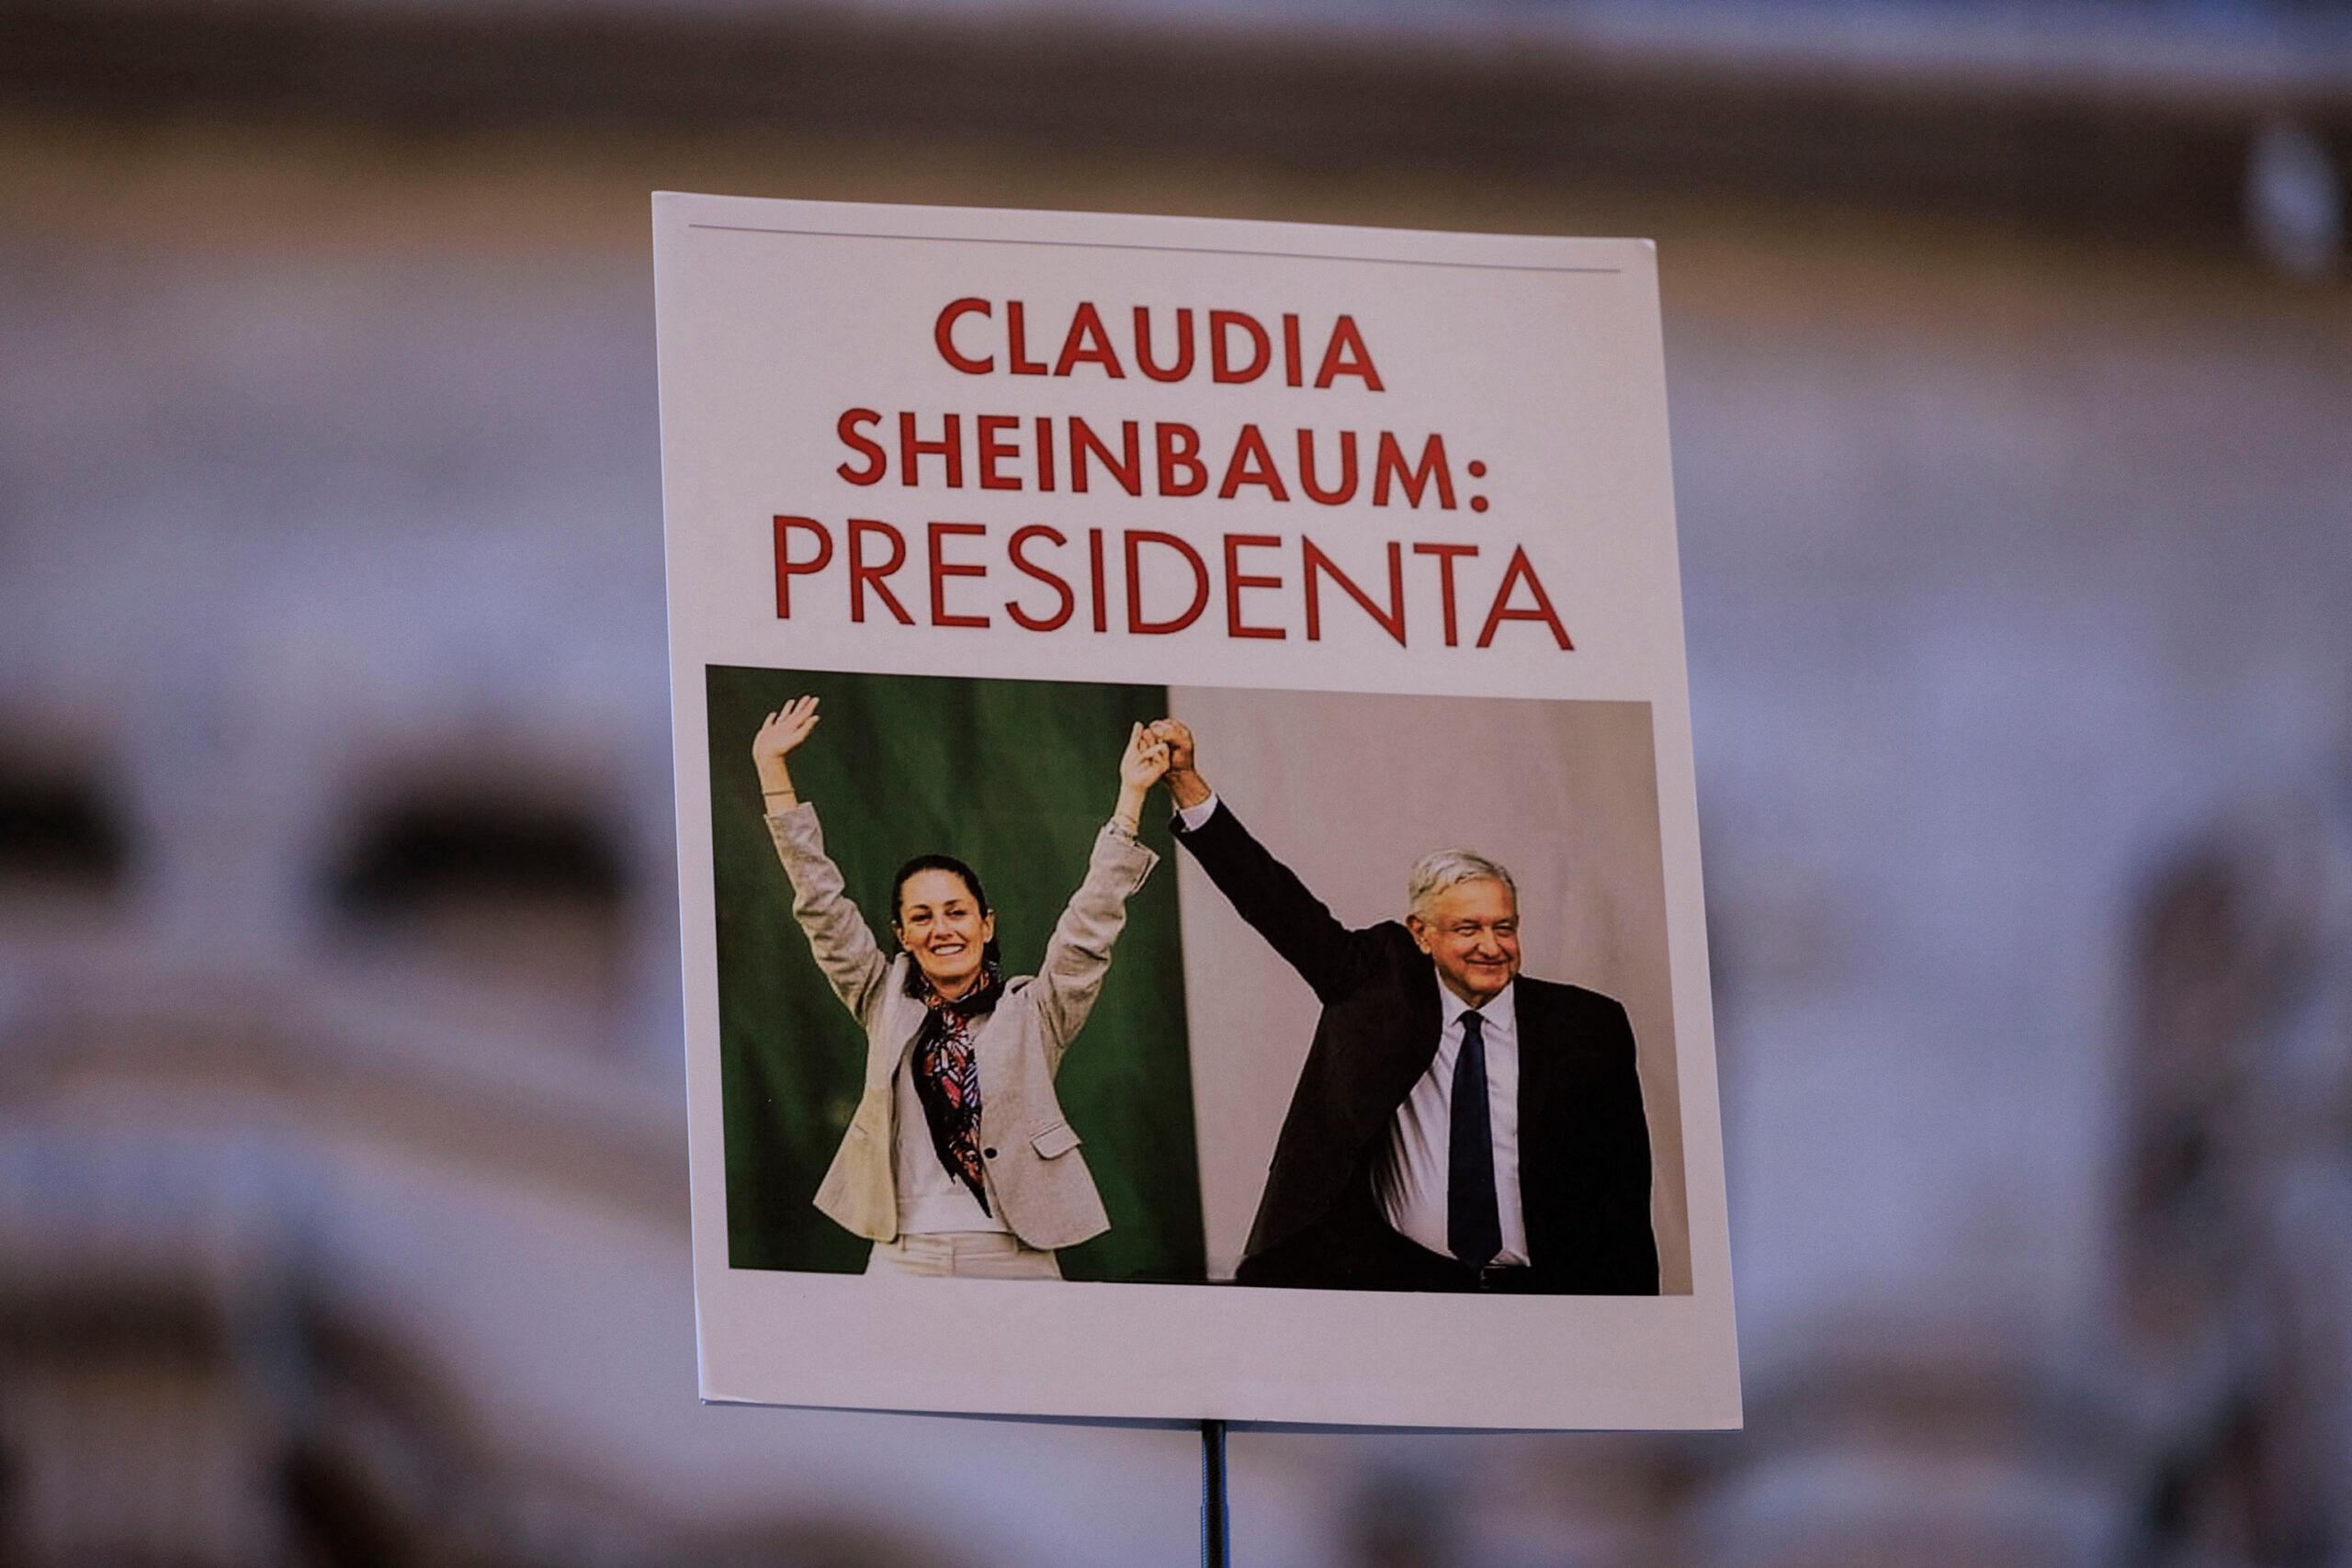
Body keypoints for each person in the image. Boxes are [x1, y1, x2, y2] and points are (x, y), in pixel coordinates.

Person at [1148, 717, 1658, 1294]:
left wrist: (1639, 1321)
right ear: (1421, 933)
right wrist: (1187, 784)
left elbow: (1623, 1192)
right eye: (1468, 928)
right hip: (1394, 1281)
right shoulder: (1376, 981)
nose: (1491, 946)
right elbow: (1274, 902)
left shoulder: (1590, 1027)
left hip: (1542, 1294)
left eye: (1504, 927)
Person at [752, 694, 1167, 1280]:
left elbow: (1089, 923)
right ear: (901, 934)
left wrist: (1131, 798)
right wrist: (774, 774)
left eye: (956, 912)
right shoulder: (882, 997)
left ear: (985, 923)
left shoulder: (1037, 1011)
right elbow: (822, 907)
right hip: (904, 1256)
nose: (941, 928)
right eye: (921, 917)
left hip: (1017, 1254)